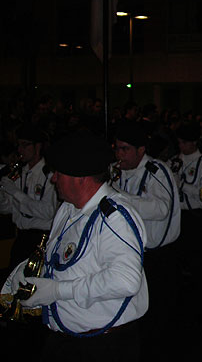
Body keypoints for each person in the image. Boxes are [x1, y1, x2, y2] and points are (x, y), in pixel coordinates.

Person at [2, 131, 147, 361]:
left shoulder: (114, 216)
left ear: (81, 178)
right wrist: (31, 273)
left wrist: (57, 291)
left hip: (101, 346)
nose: (53, 179)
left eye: (59, 173)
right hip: (68, 340)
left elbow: (125, 281)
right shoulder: (68, 209)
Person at [109, 121, 180, 358]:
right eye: (117, 148)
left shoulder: (156, 170)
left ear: (141, 150)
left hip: (156, 257)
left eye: (125, 149)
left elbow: (161, 209)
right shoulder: (115, 170)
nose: (120, 154)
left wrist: (121, 197)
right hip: (128, 254)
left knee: (157, 316)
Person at [0, 125, 58, 271]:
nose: (20, 150)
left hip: (41, 239)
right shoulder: (21, 172)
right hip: (21, 237)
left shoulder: (49, 174)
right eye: (18, 145)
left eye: (24, 145)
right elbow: (7, 208)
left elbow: (48, 212)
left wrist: (15, 192)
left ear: (37, 146)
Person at [170, 123, 202, 278]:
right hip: (177, 215)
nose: (181, 146)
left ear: (194, 142)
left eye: (184, 142)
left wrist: (182, 185)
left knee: (196, 259)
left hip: (195, 217)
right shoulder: (174, 161)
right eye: (179, 142)